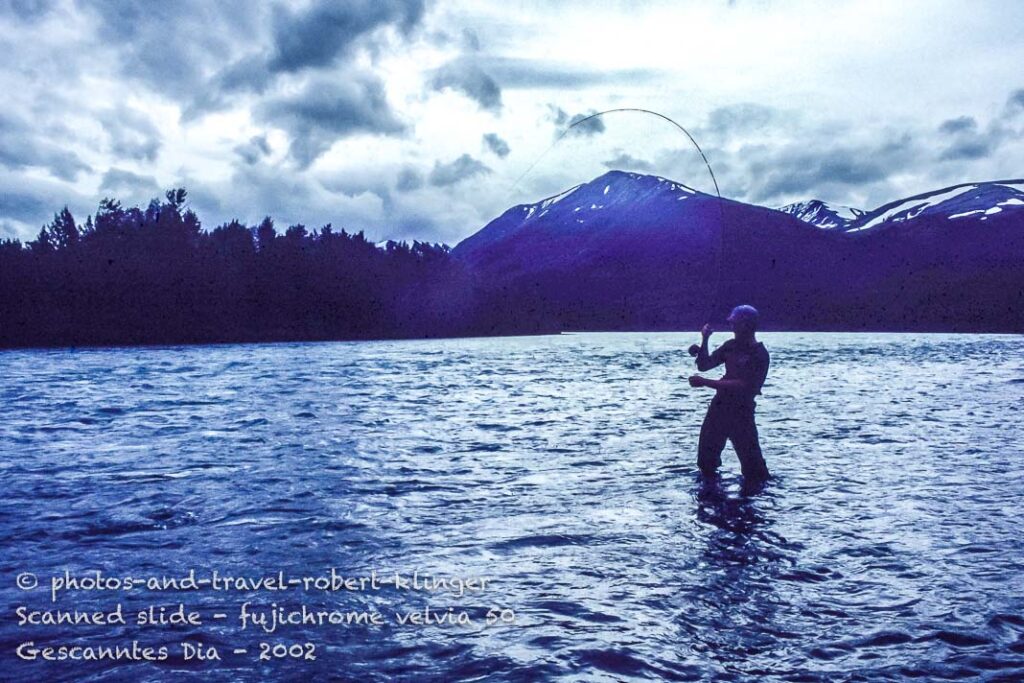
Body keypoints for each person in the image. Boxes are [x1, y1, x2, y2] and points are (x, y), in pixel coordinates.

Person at [687, 304, 770, 486]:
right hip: (719, 408)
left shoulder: (759, 354)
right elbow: (704, 365)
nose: (731, 326)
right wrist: (705, 340)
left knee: (753, 468)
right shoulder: (730, 346)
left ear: (746, 325)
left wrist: (705, 382)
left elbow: (743, 385)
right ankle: (712, 496)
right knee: (706, 462)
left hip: (742, 412)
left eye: (735, 323)